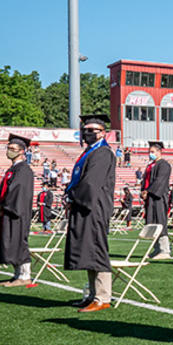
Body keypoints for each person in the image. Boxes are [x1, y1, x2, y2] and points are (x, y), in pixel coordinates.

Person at [65, 114, 117, 312]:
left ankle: (103, 297)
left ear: (103, 133)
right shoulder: (90, 152)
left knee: (96, 250)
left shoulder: (102, 153)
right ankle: (93, 294)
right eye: (85, 130)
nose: (88, 133)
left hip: (94, 208)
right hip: (84, 206)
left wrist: (73, 197)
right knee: (88, 250)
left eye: (93, 130)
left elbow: (90, 183)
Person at [0, 134, 35, 287]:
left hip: (17, 213)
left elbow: (18, 192)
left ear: (22, 151)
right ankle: (17, 274)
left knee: (19, 243)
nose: (9, 151)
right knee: (9, 243)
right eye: (8, 148)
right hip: (8, 212)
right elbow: (4, 190)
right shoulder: (13, 169)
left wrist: (4, 206)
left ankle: (25, 276)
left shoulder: (24, 170)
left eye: (13, 149)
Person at [141, 141, 173, 258]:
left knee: (160, 221)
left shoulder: (164, 165)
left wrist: (148, 191)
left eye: (153, 152)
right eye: (149, 152)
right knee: (152, 222)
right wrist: (143, 191)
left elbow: (160, 181)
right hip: (150, 198)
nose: (150, 154)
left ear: (159, 152)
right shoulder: (150, 166)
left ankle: (165, 250)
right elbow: (145, 181)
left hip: (158, 197)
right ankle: (156, 249)